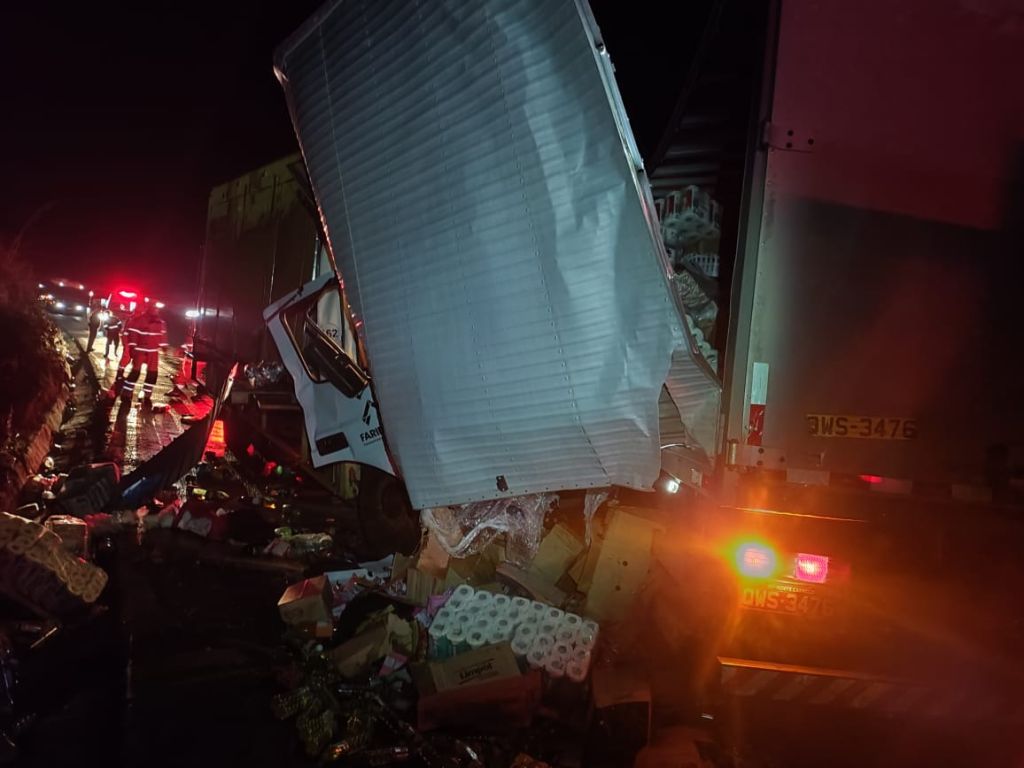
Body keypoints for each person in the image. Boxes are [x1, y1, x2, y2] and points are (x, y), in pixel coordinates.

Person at [121, 302, 168, 405]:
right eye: (154, 308)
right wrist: (133, 347)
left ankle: (147, 395)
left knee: (152, 374)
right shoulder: (139, 320)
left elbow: (162, 335)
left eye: (157, 309)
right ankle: (126, 393)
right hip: (140, 349)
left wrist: (164, 346)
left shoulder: (160, 322)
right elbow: (132, 334)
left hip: (153, 352)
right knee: (135, 372)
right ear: (149, 308)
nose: (156, 311)